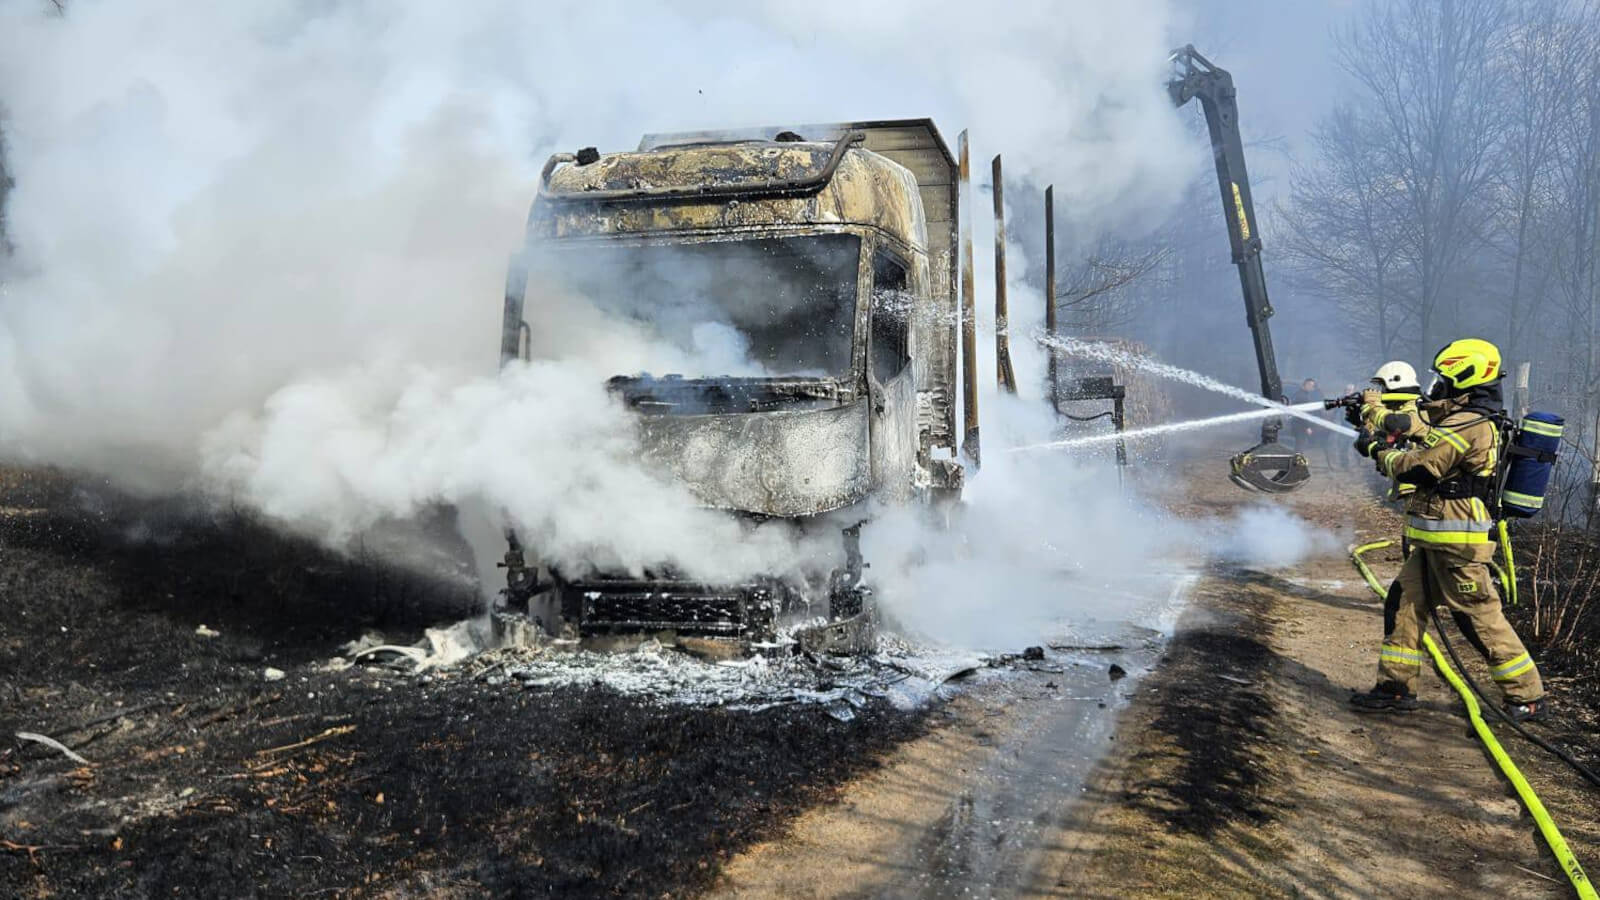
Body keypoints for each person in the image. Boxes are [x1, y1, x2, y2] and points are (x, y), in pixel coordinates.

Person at [1349, 339, 1546, 721]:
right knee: (1404, 604)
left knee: (1479, 619)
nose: (1439, 385)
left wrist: (1377, 451)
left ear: (1464, 378)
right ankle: (1395, 687)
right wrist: (1378, 416)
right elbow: (1422, 424)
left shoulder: (1469, 423)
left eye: (1445, 379)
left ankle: (1527, 696)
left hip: (1458, 544)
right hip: (1436, 540)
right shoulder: (1463, 417)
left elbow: (1420, 467)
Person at [1289, 377, 1326, 465]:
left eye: (1313, 386)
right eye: (1310, 385)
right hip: (1300, 425)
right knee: (1300, 445)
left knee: (1299, 444)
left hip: (1297, 424)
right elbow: (1303, 414)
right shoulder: (1302, 397)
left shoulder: (1300, 394)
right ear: (1305, 385)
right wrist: (1307, 427)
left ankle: (1297, 462)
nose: (1312, 387)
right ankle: (1296, 464)